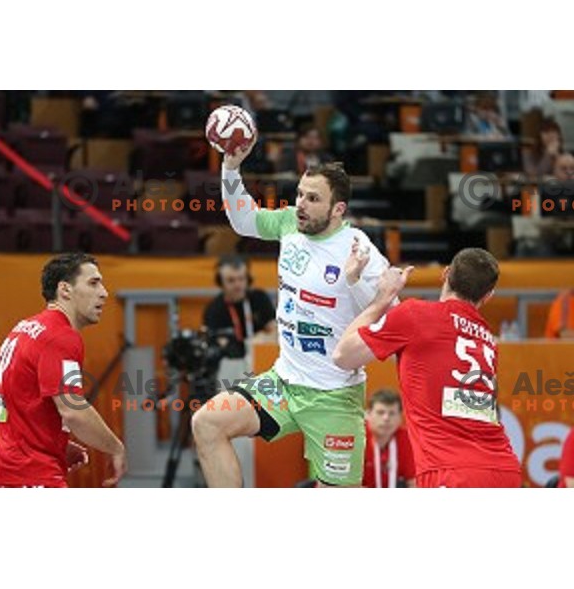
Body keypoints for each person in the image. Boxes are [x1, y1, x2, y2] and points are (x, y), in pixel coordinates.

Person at [192, 139, 391, 488]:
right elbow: (244, 220)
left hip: (334, 396)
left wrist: (356, 283)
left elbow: (391, 319)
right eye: (299, 194)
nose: (300, 205)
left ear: (337, 209)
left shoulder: (360, 250)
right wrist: (231, 169)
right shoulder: (289, 224)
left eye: (313, 199)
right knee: (206, 423)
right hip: (282, 383)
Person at [334, 248, 522, 488]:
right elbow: (418, 356)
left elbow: (342, 356)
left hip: (450, 472)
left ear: (445, 274)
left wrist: (383, 296)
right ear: (488, 296)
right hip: (504, 469)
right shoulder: (487, 340)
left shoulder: (415, 315)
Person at [0, 253, 127, 488]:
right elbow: (73, 409)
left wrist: (54, 440)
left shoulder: (23, 329)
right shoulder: (61, 337)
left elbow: (6, 406)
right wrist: (115, 448)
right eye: (93, 283)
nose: (104, 293)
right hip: (27, 475)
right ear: (65, 290)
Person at [203, 255, 277, 362]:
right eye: (231, 280)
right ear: (220, 282)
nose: (238, 285)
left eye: (241, 279)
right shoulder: (214, 310)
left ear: (248, 279)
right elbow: (221, 346)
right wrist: (251, 342)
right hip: (230, 364)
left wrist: (265, 338)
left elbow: (274, 331)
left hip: (262, 358)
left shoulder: (260, 298)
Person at [363, 389, 415, 488]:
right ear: (368, 414)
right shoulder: (357, 438)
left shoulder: (407, 440)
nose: (386, 418)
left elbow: (414, 482)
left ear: (400, 417)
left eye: (392, 413)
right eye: (380, 412)